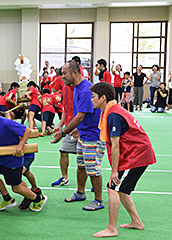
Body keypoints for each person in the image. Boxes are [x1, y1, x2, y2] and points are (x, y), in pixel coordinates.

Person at [90, 82, 156, 238]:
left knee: (113, 187)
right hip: (136, 153)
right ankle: (136, 222)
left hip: (136, 155)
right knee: (122, 190)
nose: (91, 100)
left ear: (103, 98)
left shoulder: (113, 114)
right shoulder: (111, 110)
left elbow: (115, 144)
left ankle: (112, 228)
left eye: (93, 97)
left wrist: (114, 171)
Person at [52, 60, 106, 211]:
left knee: (92, 168)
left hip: (94, 136)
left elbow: (80, 116)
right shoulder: (76, 87)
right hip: (84, 134)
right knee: (81, 165)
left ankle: (98, 200)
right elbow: (84, 115)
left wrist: (63, 132)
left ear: (74, 72)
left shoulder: (85, 89)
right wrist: (78, 129)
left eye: (64, 73)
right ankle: (81, 192)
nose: (62, 76)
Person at [0, 100, 47, 212]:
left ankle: (38, 199)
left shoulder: (7, 123)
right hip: (1, 158)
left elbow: (27, 131)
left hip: (12, 161)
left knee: (16, 188)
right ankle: (7, 199)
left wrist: (20, 146)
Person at [50, 75, 77, 187]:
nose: (63, 77)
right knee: (63, 151)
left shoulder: (80, 88)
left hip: (81, 128)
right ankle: (64, 178)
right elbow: (65, 108)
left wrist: (78, 126)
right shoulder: (65, 88)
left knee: (87, 157)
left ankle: (96, 182)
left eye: (65, 74)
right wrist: (60, 125)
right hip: (68, 128)